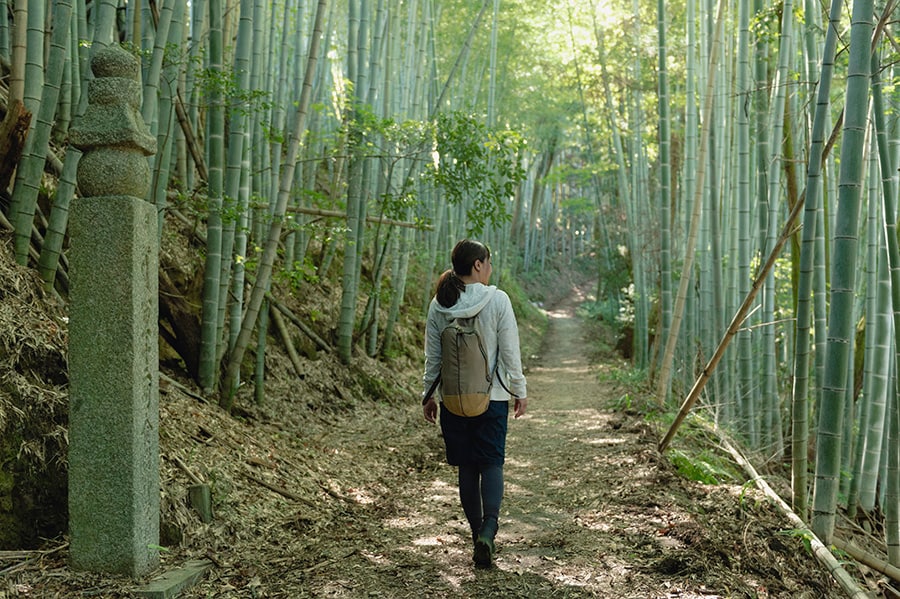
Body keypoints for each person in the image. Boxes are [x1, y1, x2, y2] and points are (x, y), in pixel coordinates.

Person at [422, 239, 528, 568]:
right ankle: (489, 532)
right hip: (492, 397)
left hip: (452, 399)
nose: (490, 268)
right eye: (489, 262)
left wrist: (428, 394)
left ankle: (475, 535)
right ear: (478, 265)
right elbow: (510, 351)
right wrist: (518, 389)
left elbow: (433, 357)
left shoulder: (440, 303)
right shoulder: (497, 300)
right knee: (491, 464)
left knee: (467, 467)